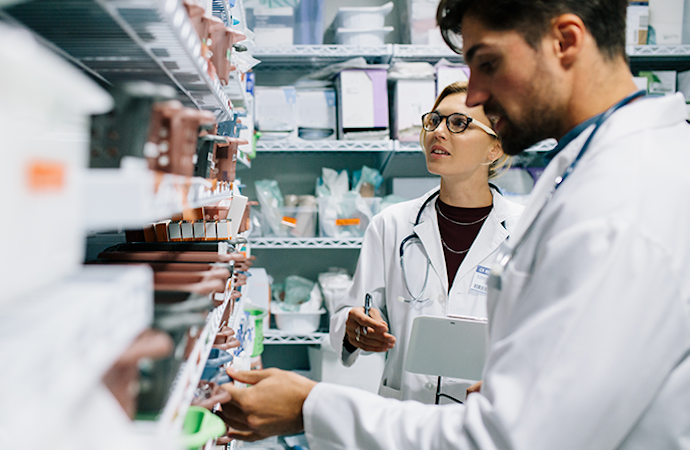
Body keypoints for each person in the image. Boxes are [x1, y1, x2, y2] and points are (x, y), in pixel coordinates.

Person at [219, 0, 690, 448]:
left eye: (487, 63)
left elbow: (510, 440)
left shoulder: (621, 201)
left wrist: (311, 407)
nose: (479, 94)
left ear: (565, 41)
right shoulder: (607, 172)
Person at [328, 81, 523, 404]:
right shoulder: (391, 225)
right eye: (434, 120)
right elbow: (348, 315)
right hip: (406, 414)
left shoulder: (525, 232)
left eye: (458, 123)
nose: (438, 132)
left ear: (495, 148)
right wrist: (354, 329)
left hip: (485, 415)